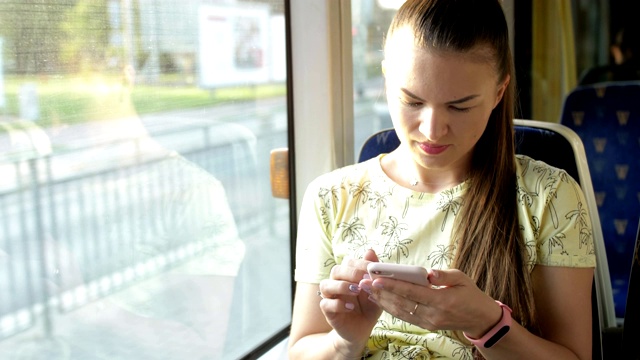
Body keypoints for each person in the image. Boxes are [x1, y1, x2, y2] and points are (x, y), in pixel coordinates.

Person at [288, 0, 595, 359]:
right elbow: (301, 349)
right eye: (412, 102)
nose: (432, 130)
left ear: (499, 93)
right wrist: (345, 341)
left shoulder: (549, 197)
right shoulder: (330, 197)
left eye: (460, 106)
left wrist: (488, 324)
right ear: (386, 80)